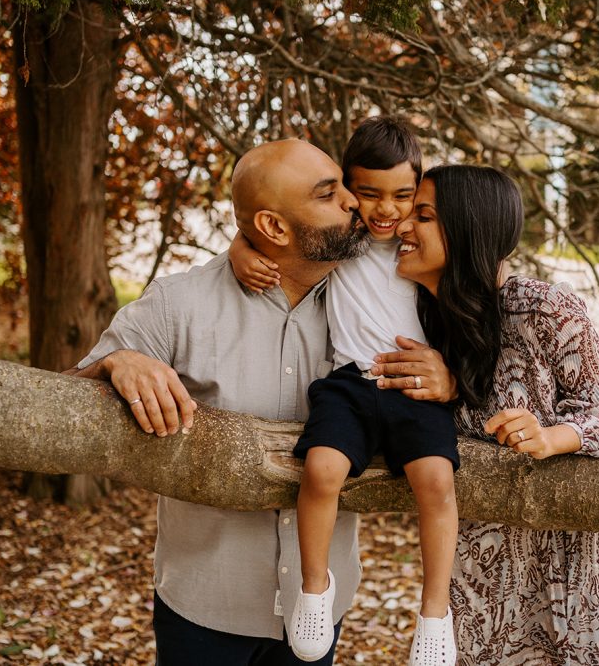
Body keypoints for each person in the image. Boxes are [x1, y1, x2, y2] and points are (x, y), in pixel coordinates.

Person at [68, 138, 455, 665]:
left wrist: (449, 378)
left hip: (320, 606)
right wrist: (118, 361)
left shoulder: (377, 299)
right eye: (329, 194)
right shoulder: (181, 304)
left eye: (344, 186)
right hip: (204, 603)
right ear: (273, 228)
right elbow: (69, 388)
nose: (352, 203)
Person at [391, 164, 599, 664]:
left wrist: (553, 435)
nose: (403, 226)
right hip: (484, 578)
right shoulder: (420, 317)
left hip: (572, 576)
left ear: (469, 228)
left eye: (422, 216)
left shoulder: (542, 308)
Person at [230, 117, 460, 666]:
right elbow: (276, 225)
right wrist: (242, 247)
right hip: (350, 384)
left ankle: (434, 612)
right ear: (348, 193)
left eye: (403, 195)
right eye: (369, 194)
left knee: (436, 481)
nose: (386, 210)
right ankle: (313, 589)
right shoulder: (343, 241)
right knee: (321, 470)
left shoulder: (421, 242)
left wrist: (450, 374)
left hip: (411, 388)